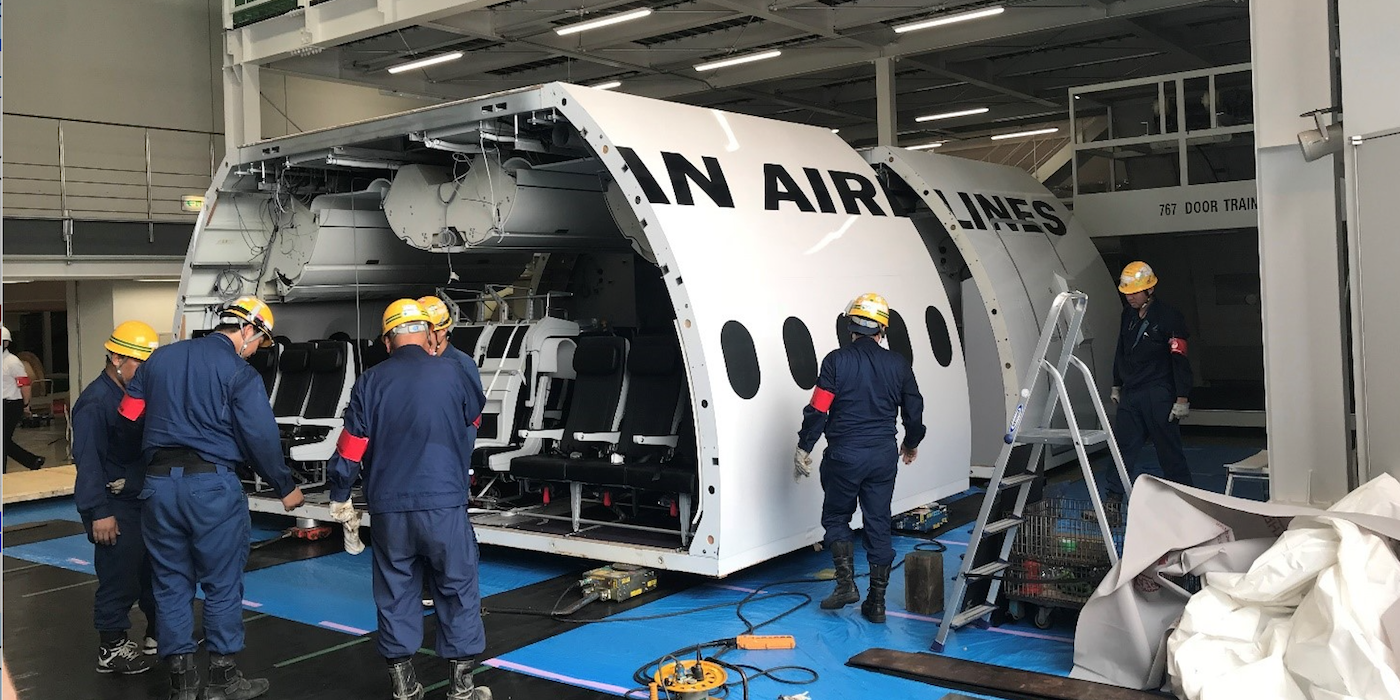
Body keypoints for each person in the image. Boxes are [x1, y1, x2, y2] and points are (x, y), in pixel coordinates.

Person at [120, 296, 304, 700]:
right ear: (247, 331)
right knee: (221, 583)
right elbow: (260, 436)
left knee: (170, 584)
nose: (255, 351)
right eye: (259, 343)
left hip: (158, 486)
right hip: (211, 487)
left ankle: (182, 686)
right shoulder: (239, 373)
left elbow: (128, 417)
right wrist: (284, 486)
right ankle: (222, 681)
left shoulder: (158, 361)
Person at [327, 299, 489, 700]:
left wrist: (340, 493)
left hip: (389, 508)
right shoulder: (454, 373)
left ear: (387, 341)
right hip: (443, 503)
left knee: (396, 590)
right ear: (429, 333)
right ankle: (462, 689)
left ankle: (404, 687)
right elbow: (472, 420)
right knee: (457, 586)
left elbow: (351, 447)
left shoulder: (369, 383)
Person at [794, 293, 926, 624]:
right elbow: (914, 410)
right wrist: (911, 443)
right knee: (878, 521)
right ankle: (877, 603)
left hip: (844, 455)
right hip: (883, 456)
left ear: (850, 326)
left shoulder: (835, 361)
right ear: (882, 330)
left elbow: (819, 408)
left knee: (837, 517)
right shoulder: (898, 364)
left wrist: (804, 446)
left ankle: (845, 586)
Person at [73, 321, 162, 674]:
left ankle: (158, 633)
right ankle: (110, 647)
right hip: (111, 507)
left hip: (137, 499)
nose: (144, 373)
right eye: (139, 364)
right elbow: (88, 461)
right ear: (115, 358)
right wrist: (99, 512)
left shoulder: (132, 395)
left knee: (151, 571)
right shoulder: (96, 403)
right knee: (119, 575)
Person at [1106, 261, 1194, 498]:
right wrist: (1117, 383)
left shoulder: (1169, 317)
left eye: (1135, 292)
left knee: (1169, 451)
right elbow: (1121, 350)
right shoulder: (1128, 316)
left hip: (1158, 393)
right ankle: (1112, 502)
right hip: (1132, 392)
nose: (1130, 298)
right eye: (1126, 293)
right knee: (1122, 448)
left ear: (1150, 290)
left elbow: (1180, 359)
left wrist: (1182, 397)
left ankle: (1185, 500)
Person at [2, 326, 45, 470]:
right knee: (4, 441)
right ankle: (32, 461)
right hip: (3, 403)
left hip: (11, 404)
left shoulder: (12, 361)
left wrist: (26, 405)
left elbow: (25, 385)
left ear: (6, 343)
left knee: (2, 440)